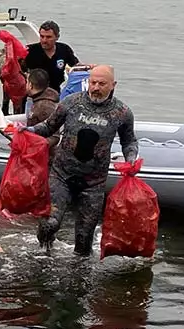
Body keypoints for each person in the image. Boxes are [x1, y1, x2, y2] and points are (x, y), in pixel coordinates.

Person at [21, 65, 138, 256]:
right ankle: (42, 254)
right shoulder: (71, 103)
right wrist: (29, 130)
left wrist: (131, 159)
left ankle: (79, 277)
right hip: (61, 175)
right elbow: (49, 126)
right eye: (93, 83)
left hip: (93, 183)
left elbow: (129, 141)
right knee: (50, 224)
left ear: (113, 85)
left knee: (84, 241)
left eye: (102, 84)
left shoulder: (122, 113)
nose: (96, 88)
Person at [23, 20, 79, 92]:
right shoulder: (30, 51)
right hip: (34, 93)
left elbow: (76, 66)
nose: (44, 40)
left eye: (48, 37)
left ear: (57, 37)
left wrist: (90, 67)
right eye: (42, 36)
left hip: (56, 91)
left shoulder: (64, 49)